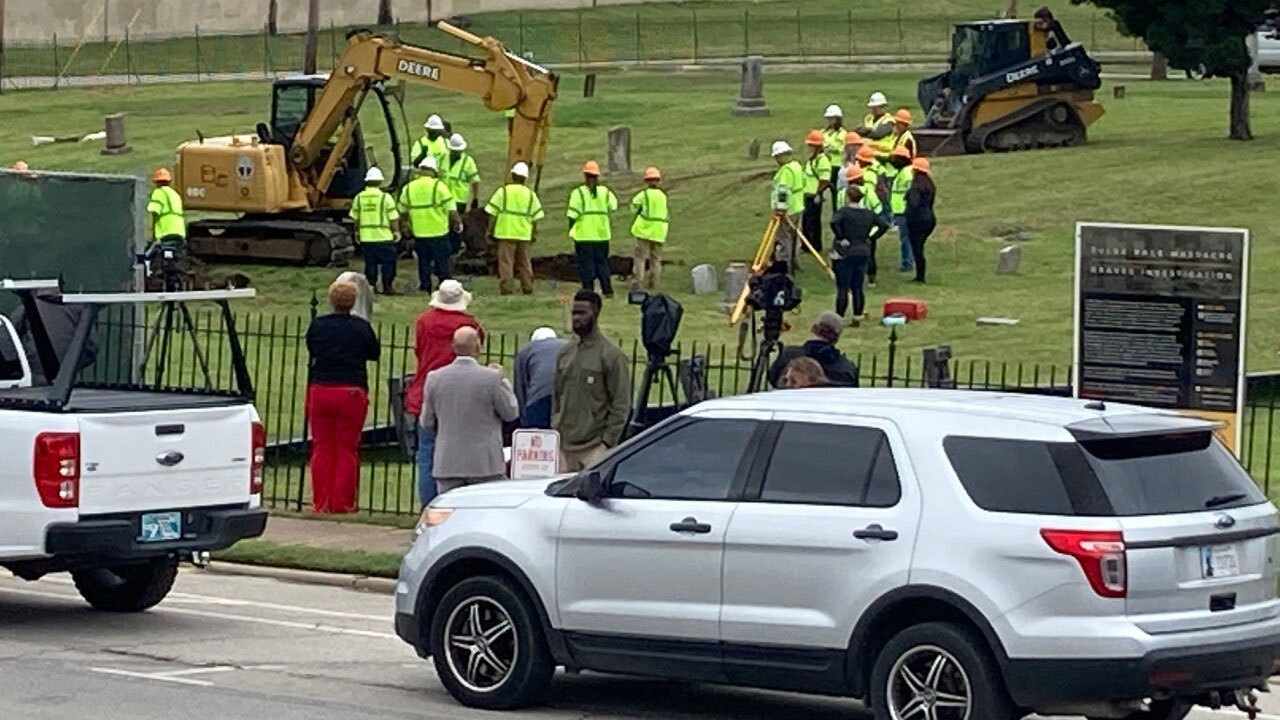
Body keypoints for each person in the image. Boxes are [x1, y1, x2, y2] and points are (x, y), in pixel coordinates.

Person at [404, 279, 484, 507]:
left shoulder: (424, 322)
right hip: (460, 395)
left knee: (426, 453)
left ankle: (429, 505)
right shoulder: (470, 325)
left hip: (426, 391)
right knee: (461, 454)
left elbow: (419, 352)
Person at [305, 280, 381, 514]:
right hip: (350, 389)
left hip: (321, 388)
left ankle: (321, 501)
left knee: (321, 447)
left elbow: (312, 348)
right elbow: (374, 353)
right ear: (353, 301)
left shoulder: (318, 325)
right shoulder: (360, 327)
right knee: (347, 448)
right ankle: (342, 502)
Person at [420, 327, 519, 495]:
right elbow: (511, 412)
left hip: (448, 463)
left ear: (453, 347)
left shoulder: (434, 378)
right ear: (478, 347)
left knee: (450, 513)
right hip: (485, 465)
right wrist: (503, 380)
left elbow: (426, 422)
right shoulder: (492, 378)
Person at [554, 290, 631, 471]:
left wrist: (607, 443)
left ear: (595, 314)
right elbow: (557, 396)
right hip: (563, 447)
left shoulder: (611, 356)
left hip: (594, 448)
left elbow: (621, 405)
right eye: (574, 313)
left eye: (582, 313)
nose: (576, 318)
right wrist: (555, 425)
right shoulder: (565, 353)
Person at [830, 171, 891, 321]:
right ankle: (857, 315)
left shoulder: (844, 212)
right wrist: (871, 237)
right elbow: (884, 225)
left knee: (843, 287)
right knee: (858, 286)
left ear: (848, 197)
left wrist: (841, 237)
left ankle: (839, 317)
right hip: (863, 250)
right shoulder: (868, 213)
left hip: (846, 251)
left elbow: (833, 222)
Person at [398, 156, 461, 294]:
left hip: (420, 233)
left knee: (423, 262)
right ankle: (445, 286)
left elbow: (402, 211)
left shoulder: (409, 188)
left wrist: (405, 226)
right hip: (439, 232)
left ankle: (425, 286)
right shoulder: (440, 187)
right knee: (442, 262)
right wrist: (457, 223)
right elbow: (451, 210)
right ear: (433, 171)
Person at [484, 162, 544, 295]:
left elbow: (492, 214)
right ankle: (527, 287)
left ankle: (506, 288)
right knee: (525, 263)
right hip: (524, 233)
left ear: (513, 175)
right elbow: (536, 217)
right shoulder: (530, 195)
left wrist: (490, 230)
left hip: (506, 232)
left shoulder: (503, 192)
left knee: (506, 263)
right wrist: (533, 233)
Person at [567, 160, 619, 297]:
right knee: (602, 264)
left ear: (585, 175)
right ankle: (607, 290)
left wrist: (571, 229)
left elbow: (572, 215)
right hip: (602, 235)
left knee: (586, 265)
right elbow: (613, 207)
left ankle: (588, 291)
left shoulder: (578, 193)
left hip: (583, 236)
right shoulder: (605, 192)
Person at [768, 311, 859, 389]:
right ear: (836, 339)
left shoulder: (788, 355)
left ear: (814, 329)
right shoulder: (847, 369)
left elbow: (773, 379)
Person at [349, 167, 401, 294]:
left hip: (367, 237)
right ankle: (387, 287)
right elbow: (393, 218)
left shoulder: (359, 198)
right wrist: (396, 231)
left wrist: (357, 232)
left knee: (370, 264)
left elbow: (356, 219)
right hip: (384, 237)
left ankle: (371, 287)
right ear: (380, 181)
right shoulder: (386, 198)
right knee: (388, 263)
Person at [854, 145, 890, 286]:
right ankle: (870, 278)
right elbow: (878, 208)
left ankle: (863, 277)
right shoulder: (875, 171)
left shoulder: (866, 176)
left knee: (861, 253)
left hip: (860, 222)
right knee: (869, 252)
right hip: (869, 221)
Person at [629, 166, 669, 291]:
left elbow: (634, 206)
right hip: (659, 231)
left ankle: (638, 283)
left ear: (646, 181)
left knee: (641, 257)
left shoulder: (643, 195)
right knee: (656, 259)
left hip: (644, 229)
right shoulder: (663, 196)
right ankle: (654, 283)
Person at [514, 327, 563, 429]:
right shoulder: (567, 346)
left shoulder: (526, 350)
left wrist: (523, 421)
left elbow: (520, 388)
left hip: (540, 397)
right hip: (567, 396)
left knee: (538, 438)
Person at [147, 168, 187, 291]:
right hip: (179, 231)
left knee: (163, 260)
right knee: (174, 259)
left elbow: (154, 212)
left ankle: (168, 286)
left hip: (166, 232)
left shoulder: (158, 193)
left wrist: (153, 233)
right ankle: (177, 283)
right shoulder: (175, 194)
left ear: (157, 183)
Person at [769, 140, 806, 266]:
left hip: (788, 208)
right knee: (795, 235)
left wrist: (780, 208)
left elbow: (783, 190)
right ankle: (794, 260)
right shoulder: (797, 166)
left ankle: (785, 263)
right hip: (798, 205)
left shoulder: (785, 171)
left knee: (784, 236)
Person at [443, 133, 480, 254]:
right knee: (444, 225)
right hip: (443, 199)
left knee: (456, 226)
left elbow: (474, 181)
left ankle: (455, 249)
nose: (457, 153)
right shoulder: (443, 159)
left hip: (459, 200)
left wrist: (475, 198)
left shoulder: (468, 162)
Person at [905, 157, 938, 284]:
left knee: (917, 249)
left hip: (917, 221)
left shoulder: (916, 186)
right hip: (929, 219)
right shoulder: (930, 184)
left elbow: (914, 203)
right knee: (919, 248)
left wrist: (907, 197)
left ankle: (920, 277)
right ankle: (920, 275)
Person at [801, 130, 832, 252]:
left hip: (813, 195)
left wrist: (818, 193)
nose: (808, 148)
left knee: (812, 221)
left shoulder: (822, 160)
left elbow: (824, 179)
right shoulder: (813, 159)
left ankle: (812, 246)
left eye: (811, 145)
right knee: (807, 220)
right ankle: (808, 245)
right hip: (808, 194)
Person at [888, 146, 916, 273]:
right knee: (906, 237)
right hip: (900, 209)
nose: (892, 160)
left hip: (903, 210)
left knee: (905, 238)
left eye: (895, 158)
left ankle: (907, 263)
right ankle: (909, 261)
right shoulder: (904, 171)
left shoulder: (906, 173)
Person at [821, 104, 847, 208]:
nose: (829, 121)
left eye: (832, 119)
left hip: (836, 166)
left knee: (836, 193)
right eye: (828, 119)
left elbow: (841, 148)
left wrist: (829, 148)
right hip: (824, 166)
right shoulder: (824, 132)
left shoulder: (842, 133)